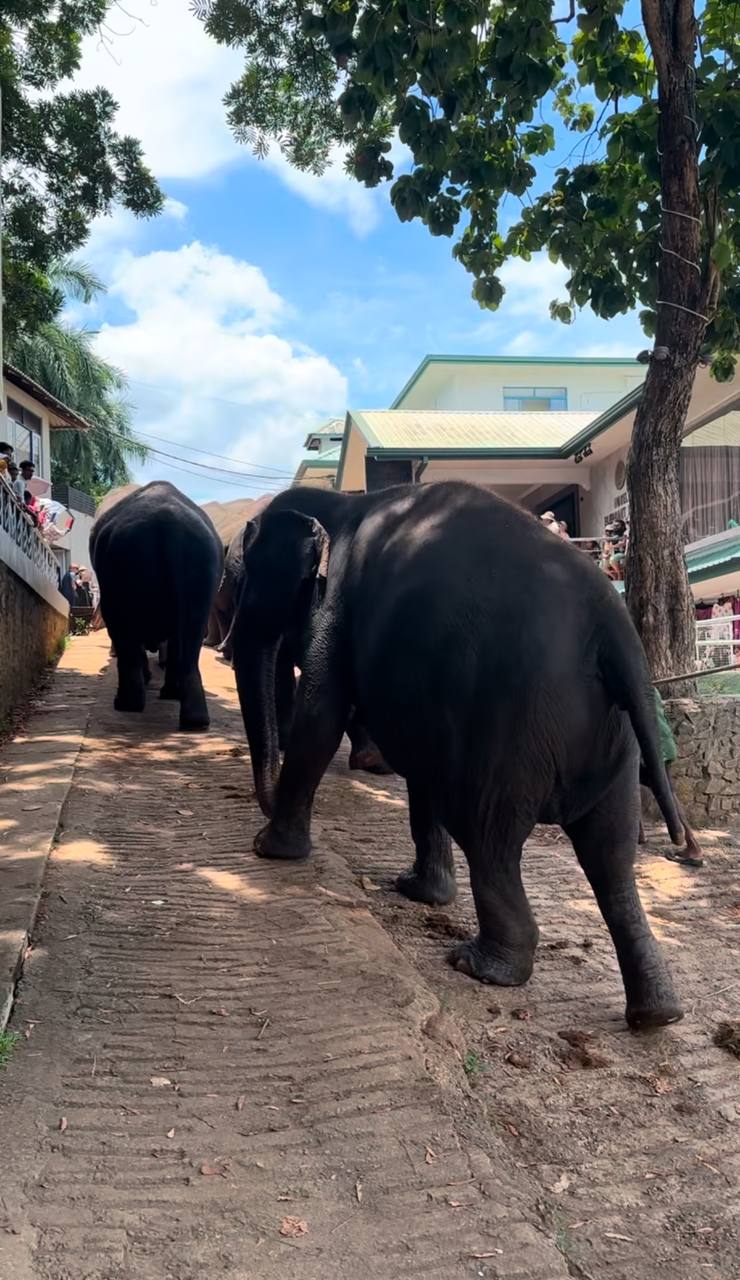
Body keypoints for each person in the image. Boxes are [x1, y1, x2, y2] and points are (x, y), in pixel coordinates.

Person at [639, 688, 704, 867]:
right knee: (644, 784)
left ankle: (693, 846)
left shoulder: (633, 689)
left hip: (654, 749)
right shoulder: (651, 689)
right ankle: (640, 833)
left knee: (666, 792)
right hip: (664, 745)